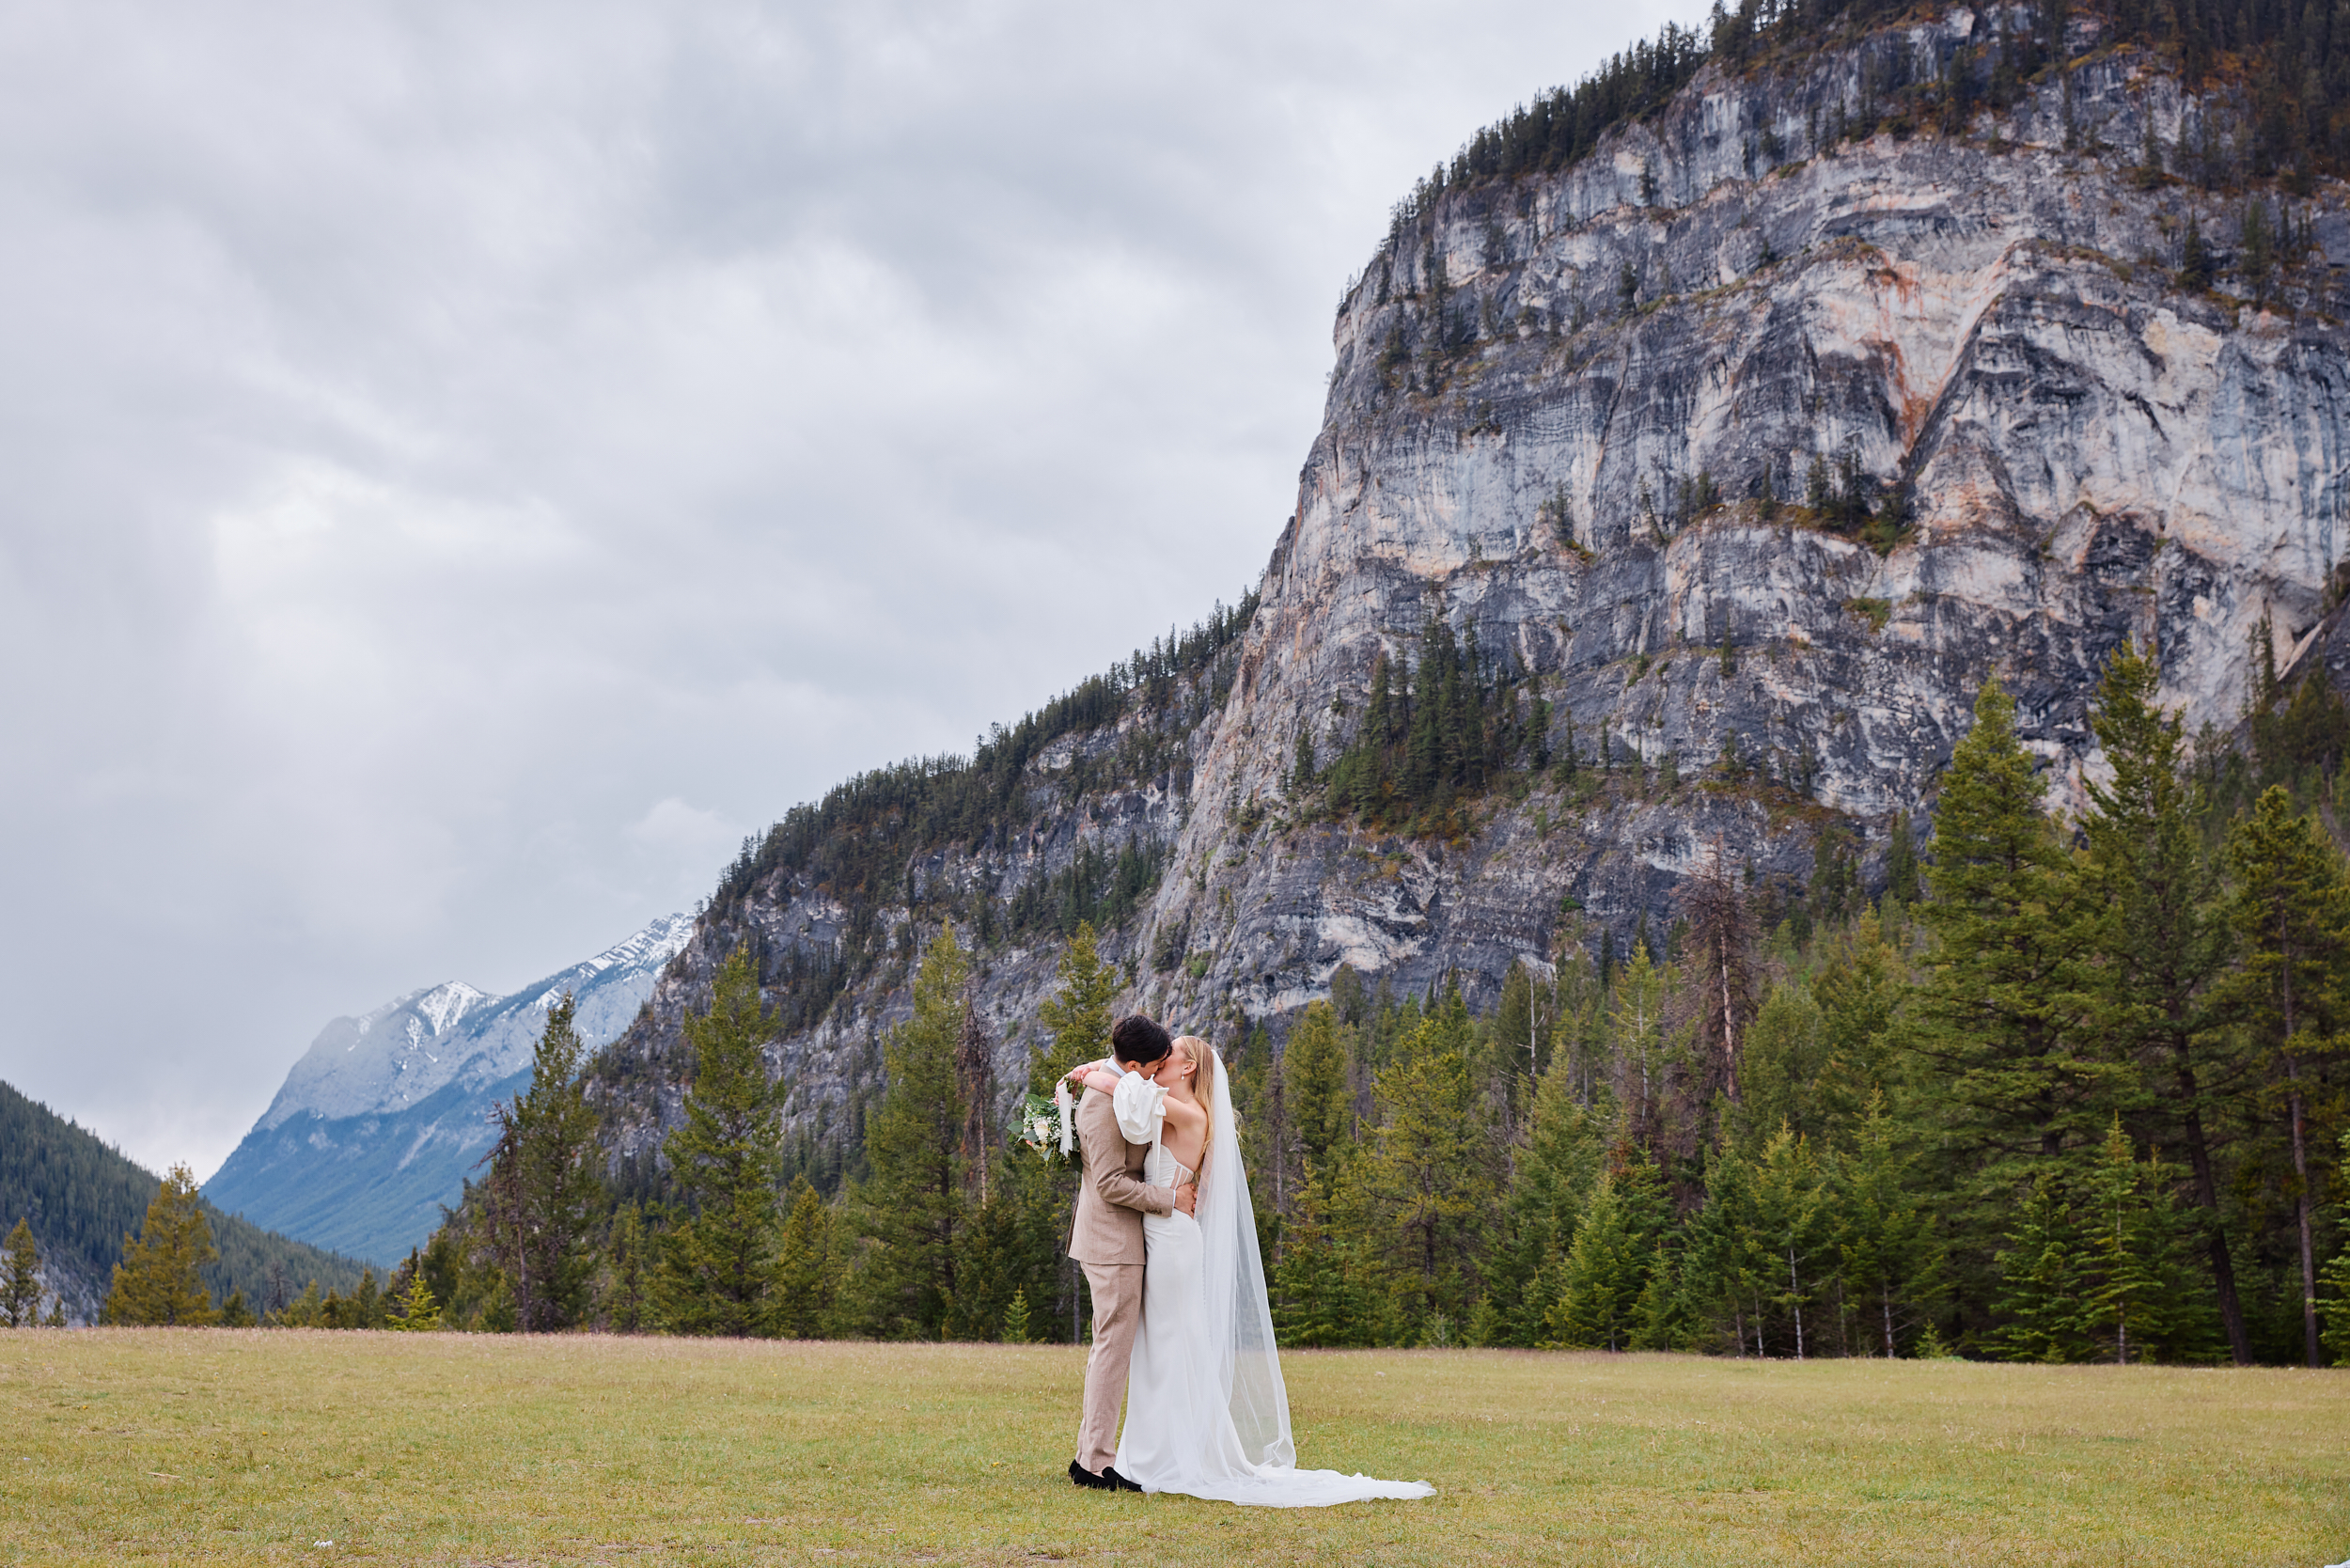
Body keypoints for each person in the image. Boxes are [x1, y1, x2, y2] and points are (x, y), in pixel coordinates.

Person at [1063, 1032, 1433, 1508]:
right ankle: (1148, 1452)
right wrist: (1100, 1070)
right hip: (1157, 1235)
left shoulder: (1189, 1113)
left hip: (1172, 1240)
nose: (1157, 1066)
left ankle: (1166, 1456)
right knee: (1160, 1346)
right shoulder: (1166, 1101)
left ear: (1189, 1068)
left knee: (1173, 1344)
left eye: (1166, 1058)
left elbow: (1124, 1086)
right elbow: (1131, 1084)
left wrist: (1089, 1074)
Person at [1066, 1014, 1193, 1492]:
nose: (1159, 1072)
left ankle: (1088, 1455)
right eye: (1155, 1065)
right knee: (1111, 1352)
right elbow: (1109, 1184)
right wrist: (1170, 1198)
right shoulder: (1102, 1104)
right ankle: (1095, 1464)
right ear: (1135, 1063)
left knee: (1112, 1349)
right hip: (1112, 1243)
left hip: (1122, 1240)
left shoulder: (1119, 1083)